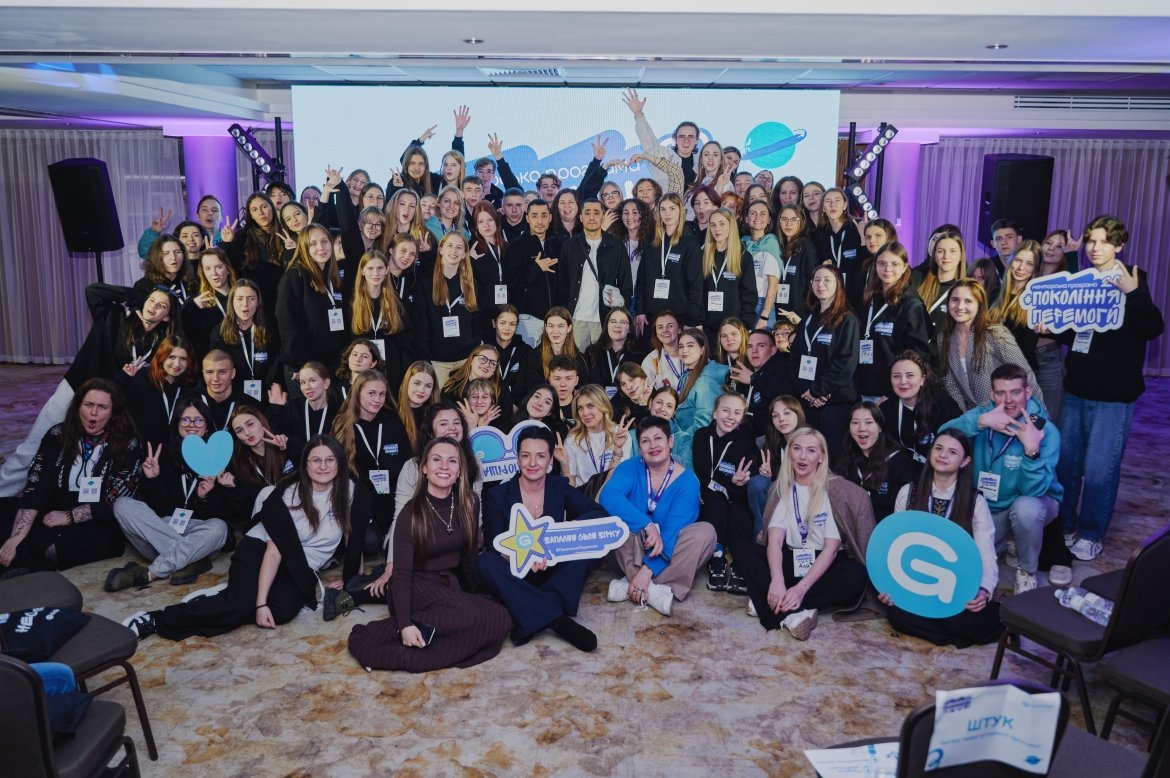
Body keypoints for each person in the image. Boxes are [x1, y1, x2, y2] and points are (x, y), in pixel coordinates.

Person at [123, 436, 371, 641]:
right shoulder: (288, 495)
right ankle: (155, 619)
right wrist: (259, 603)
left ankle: (224, 598)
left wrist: (352, 577)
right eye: (316, 460)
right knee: (241, 605)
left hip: (297, 566)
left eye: (330, 460)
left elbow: (353, 535)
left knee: (282, 611)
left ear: (339, 462)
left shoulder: (349, 490)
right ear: (305, 464)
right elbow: (274, 552)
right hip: (260, 550)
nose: (323, 466)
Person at [346, 437, 511, 672]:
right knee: (467, 616)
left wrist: (477, 596)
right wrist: (405, 624)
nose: (444, 466)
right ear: (424, 468)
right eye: (436, 460)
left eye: (452, 461)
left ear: (460, 471)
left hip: (448, 584)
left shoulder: (469, 502)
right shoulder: (410, 514)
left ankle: (435, 645)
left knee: (500, 617)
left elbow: (469, 558)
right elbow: (402, 575)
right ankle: (378, 639)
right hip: (416, 585)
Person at [1055, 216, 1164, 561]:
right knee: (1067, 466)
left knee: (1100, 470)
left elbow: (1153, 327)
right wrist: (1051, 326)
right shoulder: (1084, 280)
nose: (1095, 247)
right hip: (1076, 390)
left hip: (1113, 397)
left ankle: (1091, 533)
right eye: (1091, 241)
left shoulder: (1133, 278)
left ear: (1119, 245)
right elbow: (1072, 332)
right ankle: (1064, 525)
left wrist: (1134, 294)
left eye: (1103, 241)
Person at [0, 284, 174, 496]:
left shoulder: (158, 344)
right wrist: (136, 296)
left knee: (85, 456)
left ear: (167, 316)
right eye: (151, 301)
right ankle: (3, 490)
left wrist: (124, 378)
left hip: (106, 402)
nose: (154, 307)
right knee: (35, 444)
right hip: (77, 387)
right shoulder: (114, 316)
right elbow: (93, 291)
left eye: (161, 306)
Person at [476, 426, 608, 651]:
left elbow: (598, 514)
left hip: (552, 567)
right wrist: (525, 558)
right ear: (517, 458)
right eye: (526, 455)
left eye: (540, 456)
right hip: (517, 571)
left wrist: (559, 539)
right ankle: (557, 621)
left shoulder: (558, 487)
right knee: (485, 563)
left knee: (592, 545)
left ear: (550, 461)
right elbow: (495, 546)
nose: (532, 463)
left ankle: (528, 613)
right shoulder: (497, 495)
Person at [731, 427, 870, 638]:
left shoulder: (834, 490)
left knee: (856, 575)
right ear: (790, 453)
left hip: (824, 564)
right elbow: (775, 542)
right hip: (793, 559)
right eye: (797, 449)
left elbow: (831, 550)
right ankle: (794, 611)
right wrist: (777, 579)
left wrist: (801, 589)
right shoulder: (781, 489)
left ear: (821, 457)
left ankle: (771, 603)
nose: (802, 456)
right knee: (742, 547)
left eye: (811, 450)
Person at [941, 363, 1062, 593]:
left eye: (1015, 392)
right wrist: (979, 423)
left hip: (1031, 502)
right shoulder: (984, 414)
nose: (1008, 400)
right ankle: (1011, 538)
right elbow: (943, 437)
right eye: (1001, 393)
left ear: (1028, 392)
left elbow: (1034, 491)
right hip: (987, 506)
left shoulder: (1045, 431)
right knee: (967, 566)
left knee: (1026, 509)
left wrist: (1031, 451)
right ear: (991, 394)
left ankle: (1027, 570)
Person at [0, 379, 143, 573]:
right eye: (88, 404)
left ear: (113, 412)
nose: (93, 412)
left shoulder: (128, 444)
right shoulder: (57, 434)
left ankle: (25, 569)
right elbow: (36, 486)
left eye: (102, 407)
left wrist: (68, 517)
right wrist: (16, 537)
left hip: (97, 518)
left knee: (54, 548)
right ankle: (21, 563)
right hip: (54, 506)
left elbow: (114, 500)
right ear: (77, 407)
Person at [881, 429, 1002, 648]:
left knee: (965, 616)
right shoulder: (908, 493)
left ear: (965, 461)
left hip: (955, 583)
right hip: (916, 579)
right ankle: (954, 634)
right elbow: (894, 543)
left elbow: (986, 554)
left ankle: (950, 628)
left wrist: (984, 591)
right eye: (938, 448)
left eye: (952, 452)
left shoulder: (975, 502)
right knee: (898, 616)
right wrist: (891, 586)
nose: (943, 455)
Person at [106, 397, 230, 591]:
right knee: (122, 504)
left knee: (219, 527)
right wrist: (153, 479)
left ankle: (149, 573)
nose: (191, 425)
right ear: (177, 424)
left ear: (207, 427)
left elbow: (224, 515)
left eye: (198, 420)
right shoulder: (164, 457)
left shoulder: (218, 459)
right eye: (185, 419)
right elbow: (160, 510)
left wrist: (205, 497)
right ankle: (190, 562)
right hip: (163, 532)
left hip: (199, 537)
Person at [600, 416, 717, 616]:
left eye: (658, 438)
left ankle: (634, 584)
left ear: (670, 441)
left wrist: (647, 571)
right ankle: (655, 591)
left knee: (706, 533)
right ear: (639, 447)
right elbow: (608, 496)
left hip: (667, 546)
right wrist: (647, 525)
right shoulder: (629, 467)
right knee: (612, 524)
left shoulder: (687, 481)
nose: (652, 445)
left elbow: (671, 533)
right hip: (633, 543)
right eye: (645, 441)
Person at [333, 369, 412, 552]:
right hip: (363, 501)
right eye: (371, 393)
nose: (377, 399)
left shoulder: (393, 423)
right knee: (370, 544)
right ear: (357, 393)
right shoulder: (343, 425)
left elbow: (406, 463)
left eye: (382, 394)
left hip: (393, 498)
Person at [938, 279, 1042, 412]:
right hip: (974, 418)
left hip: (1008, 413)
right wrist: (969, 417)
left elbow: (1025, 375)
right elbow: (951, 384)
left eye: (968, 301)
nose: (960, 306)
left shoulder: (995, 334)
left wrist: (1039, 415)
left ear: (979, 306)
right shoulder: (944, 338)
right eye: (955, 300)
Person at [789, 264, 859, 460]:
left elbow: (845, 363)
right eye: (817, 280)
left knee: (831, 460)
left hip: (836, 403)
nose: (821, 284)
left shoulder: (847, 320)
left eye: (827, 280)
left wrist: (818, 390)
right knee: (807, 458)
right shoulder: (807, 320)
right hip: (807, 401)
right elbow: (794, 358)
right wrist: (805, 390)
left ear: (838, 284)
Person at [692, 393, 760, 594]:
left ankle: (740, 563)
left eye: (737, 413)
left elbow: (750, 476)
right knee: (715, 502)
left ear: (742, 418)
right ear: (715, 413)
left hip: (736, 498)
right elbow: (702, 473)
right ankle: (717, 558)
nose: (731, 417)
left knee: (739, 515)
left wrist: (739, 482)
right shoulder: (702, 436)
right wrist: (726, 484)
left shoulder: (747, 443)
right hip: (709, 499)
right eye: (725, 410)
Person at [855, 242, 931, 403]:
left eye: (894, 264)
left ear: (904, 267)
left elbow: (917, 356)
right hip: (864, 387)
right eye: (882, 263)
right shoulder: (870, 299)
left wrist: (891, 392)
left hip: (892, 393)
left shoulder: (911, 305)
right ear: (875, 266)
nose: (887, 269)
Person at [275, 224, 348, 383]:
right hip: (304, 368)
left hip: (332, 366)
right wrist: (300, 364)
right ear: (304, 247)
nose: (321, 247)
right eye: (313, 243)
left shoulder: (332, 276)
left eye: (324, 241)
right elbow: (287, 324)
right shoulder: (295, 276)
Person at [559, 199, 633, 351]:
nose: (592, 217)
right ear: (581, 217)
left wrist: (618, 315)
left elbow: (626, 284)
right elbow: (562, 284)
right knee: (576, 361)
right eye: (587, 213)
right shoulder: (570, 245)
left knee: (604, 362)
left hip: (605, 320)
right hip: (576, 318)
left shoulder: (616, 246)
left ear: (603, 217)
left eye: (596, 213)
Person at [411, 232, 482, 388]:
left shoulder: (471, 284)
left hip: (465, 361)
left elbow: (476, 321)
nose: (454, 251)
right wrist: (426, 360)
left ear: (464, 254)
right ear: (441, 249)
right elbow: (421, 325)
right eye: (450, 246)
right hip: (437, 362)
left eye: (459, 247)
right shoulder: (425, 283)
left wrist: (474, 348)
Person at [634, 193, 703, 339]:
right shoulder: (652, 241)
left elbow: (695, 285)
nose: (667, 214)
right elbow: (641, 279)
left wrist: (692, 319)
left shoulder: (690, 243)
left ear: (680, 211)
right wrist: (639, 310)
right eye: (663, 209)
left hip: (679, 317)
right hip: (651, 316)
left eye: (672, 208)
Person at [882, 351, 962, 473]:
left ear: (922, 379)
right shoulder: (886, 410)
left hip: (941, 471)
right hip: (906, 472)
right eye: (896, 376)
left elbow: (958, 445)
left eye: (910, 375)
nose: (903, 381)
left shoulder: (943, 405)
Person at [835, 402, 915, 522]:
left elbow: (900, 514)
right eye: (855, 423)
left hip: (884, 529)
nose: (861, 428)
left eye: (869, 422)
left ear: (880, 427)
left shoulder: (900, 463)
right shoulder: (844, 458)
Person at [346, 249, 410, 387]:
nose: (376, 273)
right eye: (370, 268)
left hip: (390, 368)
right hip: (361, 368)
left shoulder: (395, 302)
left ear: (387, 270)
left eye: (380, 268)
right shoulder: (351, 302)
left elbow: (404, 338)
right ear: (362, 271)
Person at [125, 334, 199, 450]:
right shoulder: (142, 379)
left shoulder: (189, 389)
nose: (177, 364)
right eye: (172, 357)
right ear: (162, 356)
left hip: (174, 453)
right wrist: (126, 379)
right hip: (142, 451)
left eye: (183, 359)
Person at [504, 200, 562, 347]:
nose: (540, 221)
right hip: (527, 320)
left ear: (550, 217)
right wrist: (536, 268)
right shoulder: (516, 246)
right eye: (534, 216)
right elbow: (510, 283)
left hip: (555, 319)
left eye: (544, 215)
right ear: (527, 218)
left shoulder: (558, 244)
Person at [670, 328, 730, 470]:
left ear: (702, 349)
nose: (684, 350)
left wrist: (678, 438)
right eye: (681, 346)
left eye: (690, 346)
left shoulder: (705, 381)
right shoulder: (689, 374)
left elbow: (703, 424)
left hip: (692, 448)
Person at [556, 385, 633, 495]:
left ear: (603, 406)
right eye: (580, 408)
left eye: (590, 406)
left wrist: (617, 448)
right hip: (583, 497)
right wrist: (564, 463)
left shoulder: (620, 434)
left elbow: (617, 477)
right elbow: (570, 487)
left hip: (610, 494)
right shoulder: (572, 439)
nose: (585, 413)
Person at [209, 279, 278, 400]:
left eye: (251, 299)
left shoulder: (269, 330)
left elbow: (276, 364)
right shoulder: (219, 333)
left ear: (258, 302)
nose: (245, 304)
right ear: (232, 302)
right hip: (233, 396)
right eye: (240, 299)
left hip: (265, 394)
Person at [700, 209, 757, 340]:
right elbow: (696, 291)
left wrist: (746, 324)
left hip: (733, 328)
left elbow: (749, 294)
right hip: (706, 327)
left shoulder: (743, 257)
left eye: (722, 224)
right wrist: (696, 320)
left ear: (731, 226)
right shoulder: (702, 255)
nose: (717, 229)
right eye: (713, 225)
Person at [266, 361, 340, 459]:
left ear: (326, 383)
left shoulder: (338, 412)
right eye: (303, 382)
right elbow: (272, 433)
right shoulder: (293, 407)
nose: (307, 387)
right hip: (297, 466)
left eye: (312, 381)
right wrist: (276, 408)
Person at [518, 307, 588, 401]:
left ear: (569, 328)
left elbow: (582, 388)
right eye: (551, 326)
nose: (555, 331)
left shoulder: (579, 358)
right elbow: (533, 387)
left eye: (560, 326)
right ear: (546, 328)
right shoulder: (534, 356)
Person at [181, 246, 237, 360]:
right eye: (208, 268)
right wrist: (192, 309)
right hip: (213, 363)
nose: (214, 273)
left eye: (219, 267)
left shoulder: (242, 296)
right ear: (203, 272)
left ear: (228, 269)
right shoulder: (197, 302)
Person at [774, 205, 818, 324]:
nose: (788, 224)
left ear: (801, 222)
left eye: (793, 219)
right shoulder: (778, 247)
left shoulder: (806, 247)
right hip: (780, 309)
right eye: (784, 219)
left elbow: (811, 282)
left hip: (799, 312)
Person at [584, 307, 642, 398]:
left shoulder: (638, 356)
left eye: (623, 322)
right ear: (607, 325)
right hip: (597, 403)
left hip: (626, 404)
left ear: (630, 329)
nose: (617, 325)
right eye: (613, 321)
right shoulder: (592, 352)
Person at [742, 199, 781, 330]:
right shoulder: (742, 244)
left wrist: (764, 316)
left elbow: (773, 285)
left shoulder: (771, 244)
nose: (757, 217)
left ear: (769, 219)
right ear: (746, 218)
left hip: (762, 304)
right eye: (753, 213)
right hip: (744, 301)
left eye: (763, 214)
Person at [491, 304, 531, 400]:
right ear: (494, 323)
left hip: (515, 404)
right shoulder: (485, 349)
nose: (507, 328)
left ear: (516, 326)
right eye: (502, 323)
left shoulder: (525, 351)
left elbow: (523, 384)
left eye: (512, 324)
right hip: (488, 402)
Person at [640, 310, 686, 391]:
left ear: (679, 329)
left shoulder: (694, 353)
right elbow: (646, 392)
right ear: (656, 333)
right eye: (660, 327)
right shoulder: (650, 360)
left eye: (670, 326)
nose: (665, 330)